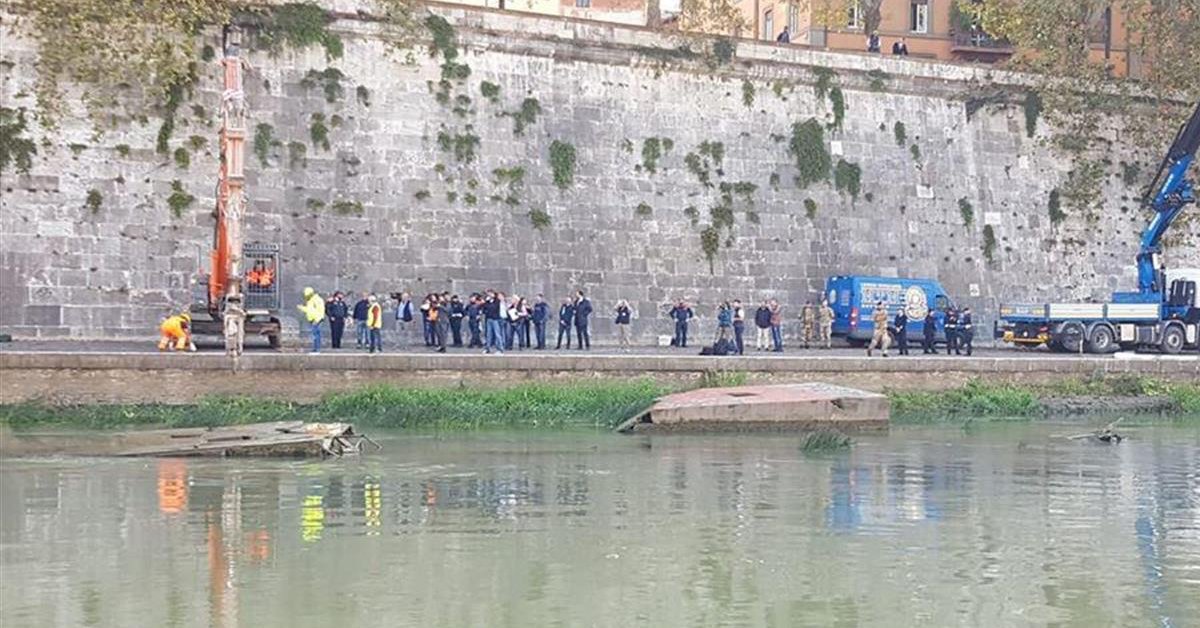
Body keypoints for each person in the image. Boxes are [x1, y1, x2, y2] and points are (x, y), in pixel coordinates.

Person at [297, 287, 325, 353]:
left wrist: (317, 320)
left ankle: (317, 349)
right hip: (313, 320)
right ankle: (315, 349)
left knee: (316, 335)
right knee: (315, 335)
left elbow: (321, 310)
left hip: (316, 320)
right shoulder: (310, 301)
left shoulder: (317, 300)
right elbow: (310, 310)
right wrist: (302, 308)